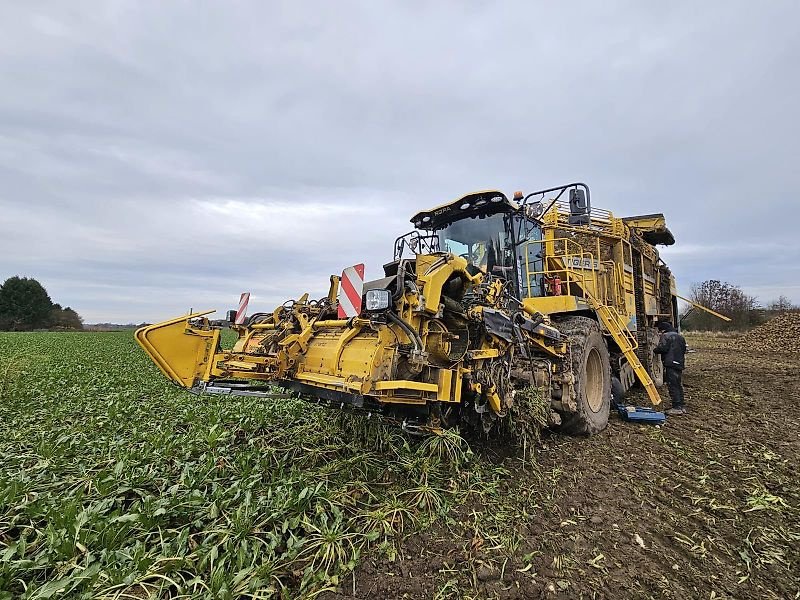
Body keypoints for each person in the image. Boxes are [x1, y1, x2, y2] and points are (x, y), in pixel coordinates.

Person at [654, 321, 688, 415]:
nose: (660, 333)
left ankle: (676, 407)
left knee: (672, 385)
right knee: (678, 385)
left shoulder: (666, 336)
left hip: (670, 363)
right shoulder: (680, 337)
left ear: (663, 330)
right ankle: (681, 406)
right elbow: (684, 349)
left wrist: (655, 350)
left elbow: (662, 348)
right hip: (679, 363)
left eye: (660, 331)